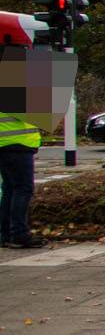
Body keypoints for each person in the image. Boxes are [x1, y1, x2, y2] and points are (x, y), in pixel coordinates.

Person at [0, 104, 45, 250]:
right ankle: (18, 234)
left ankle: (6, 235)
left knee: (9, 189)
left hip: (6, 144)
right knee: (22, 189)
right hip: (17, 144)